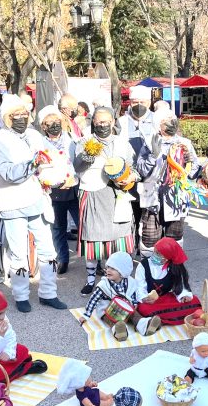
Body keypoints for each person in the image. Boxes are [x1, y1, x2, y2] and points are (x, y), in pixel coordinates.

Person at [0, 94, 68, 313]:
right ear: (7, 117)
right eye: (16, 115)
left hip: (37, 199)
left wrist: (58, 174)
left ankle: (48, 293)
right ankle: (21, 295)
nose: (22, 118)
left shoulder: (34, 135)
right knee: (18, 253)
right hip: (12, 202)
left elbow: (49, 161)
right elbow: (7, 173)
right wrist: (33, 163)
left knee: (47, 249)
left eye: (25, 114)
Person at [74, 106, 136, 294]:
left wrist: (131, 177)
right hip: (92, 193)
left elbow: (133, 167)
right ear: (93, 122)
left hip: (117, 195)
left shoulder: (121, 142)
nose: (102, 125)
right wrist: (88, 155)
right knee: (93, 237)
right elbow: (77, 166)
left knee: (118, 238)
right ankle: (91, 279)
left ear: (112, 121)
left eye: (106, 121)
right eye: (99, 122)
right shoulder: (85, 141)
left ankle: (120, 278)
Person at [135, 107, 200, 255]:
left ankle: (172, 272)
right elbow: (141, 171)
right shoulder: (149, 142)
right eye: (166, 120)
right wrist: (153, 155)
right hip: (153, 198)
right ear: (158, 125)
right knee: (149, 240)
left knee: (174, 240)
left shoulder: (185, 144)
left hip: (176, 199)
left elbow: (193, 173)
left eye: (172, 118)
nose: (171, 122)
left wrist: (190, 163)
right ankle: (149, 272)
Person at [79, 251, 161, 339]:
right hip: (107, 310)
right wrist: (86, 315)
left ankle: (145, 325)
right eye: (108, 267)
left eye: (113, 269)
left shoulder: (130, 282)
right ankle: (119, 330)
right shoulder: (104, 284)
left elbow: (133, 294)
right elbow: (93, 300)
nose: (108, 270)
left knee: (135, 315)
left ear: (123, 272)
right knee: (111, 319)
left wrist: (134, 305)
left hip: (125, 308)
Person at [37, 105, 79, 275]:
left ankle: (93, 259)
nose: (54, 125)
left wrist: (74, 176)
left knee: (83, 225)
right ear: (43, 126)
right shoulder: (39, 143)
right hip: (53, 191)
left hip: (74, 187)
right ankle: (63, 258)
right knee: (58, 227)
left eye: (56, 121)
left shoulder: (72, 138)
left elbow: (79, 161)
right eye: (49, 122)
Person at [117, 85, 156, 253]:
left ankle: (146, 246)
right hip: (128, 175)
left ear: (149, 102)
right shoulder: (122, 122)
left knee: (148, 216)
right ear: (129, 102)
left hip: (150, 177)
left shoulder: (156, 120)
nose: (138, 105)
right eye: (135, 101)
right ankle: (131, 246)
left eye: (142, 101)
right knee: (131, 213)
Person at [134, 237, 201, 324]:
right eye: (154, 251)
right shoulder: (143, 265)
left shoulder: (174, 267)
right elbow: (139, 286)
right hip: (151, 302)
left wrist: (184, 296)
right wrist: (144, 298)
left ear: (167, 257)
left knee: (195, 301)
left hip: (166, 299)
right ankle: (165, 319)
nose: (154, 255)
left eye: (158, 254)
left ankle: (157, 320)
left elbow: (181, 286)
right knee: (143, 309)